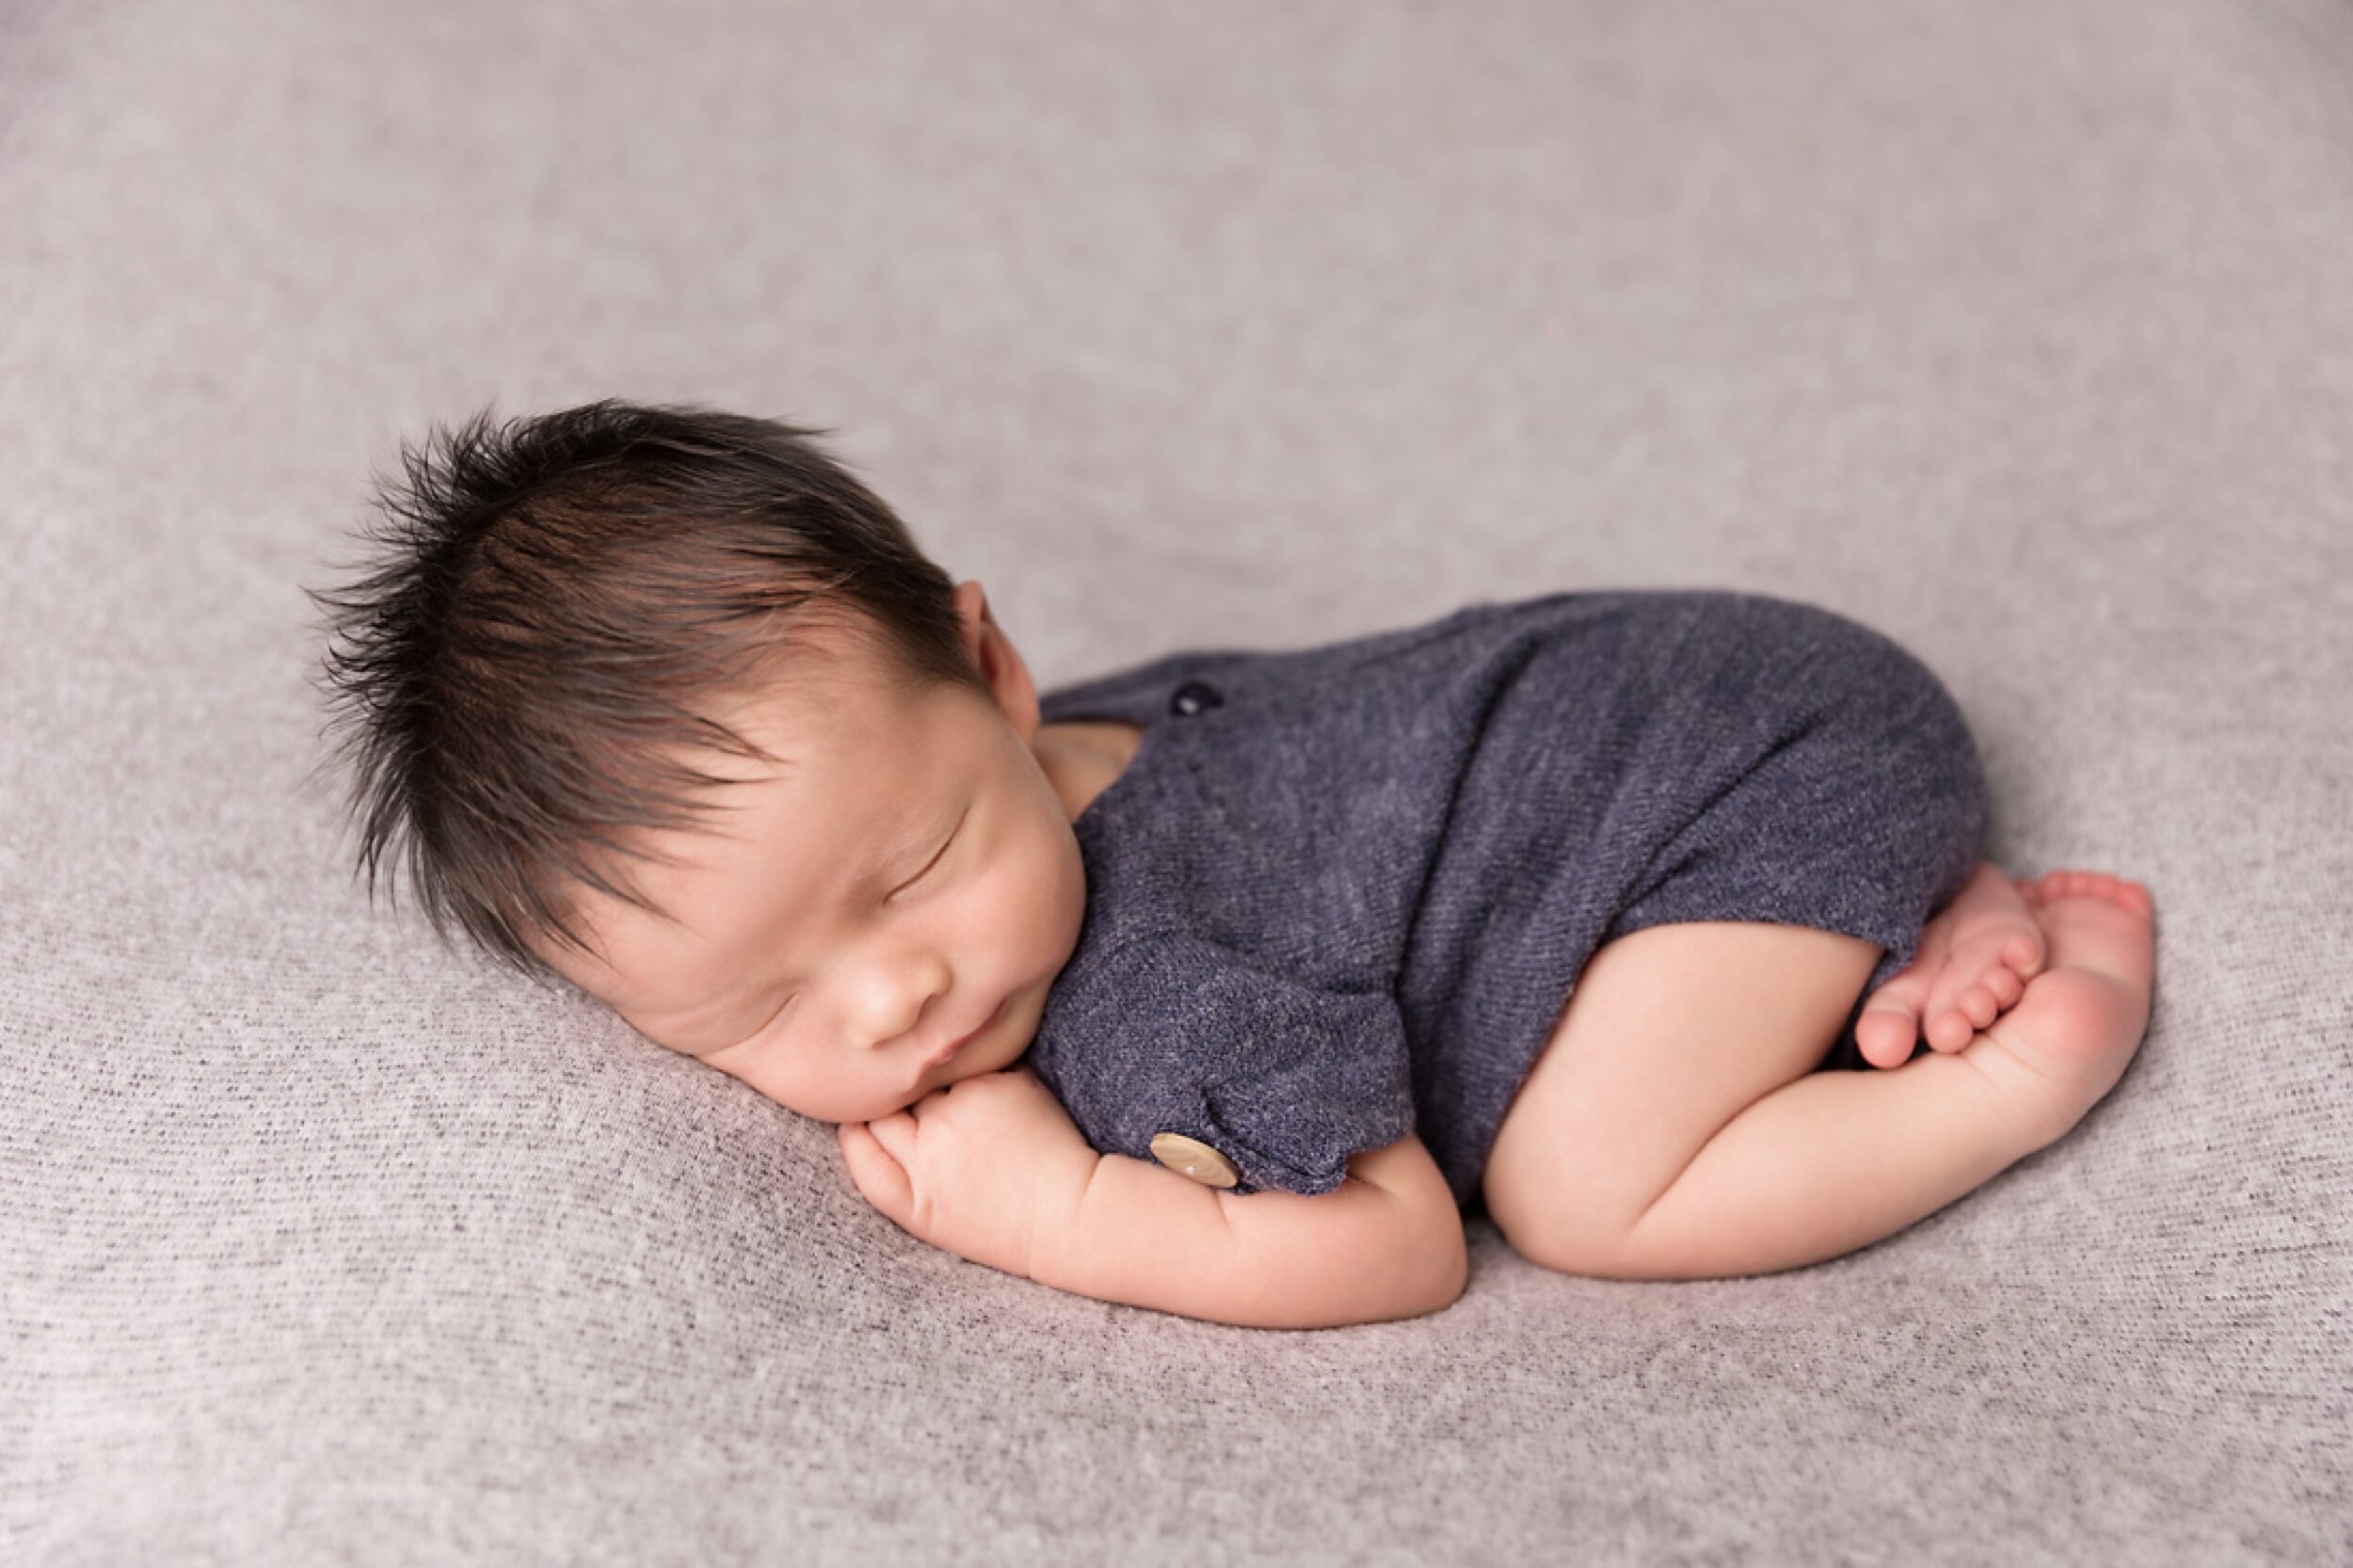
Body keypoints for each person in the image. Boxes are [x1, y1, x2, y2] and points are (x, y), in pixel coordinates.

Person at [311, 399, 2157, 1331]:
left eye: (912, 868)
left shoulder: (1156, 996)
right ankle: (1904, 911)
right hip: (1727, 691)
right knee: (1610, 986)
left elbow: (1400, 1241)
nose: (897, 996)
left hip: (1752, 773)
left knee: (1591, 1185)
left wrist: (1058, 1213)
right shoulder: (1066, 741)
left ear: (993, 667)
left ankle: (2002, 1073)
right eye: (752, 1006)